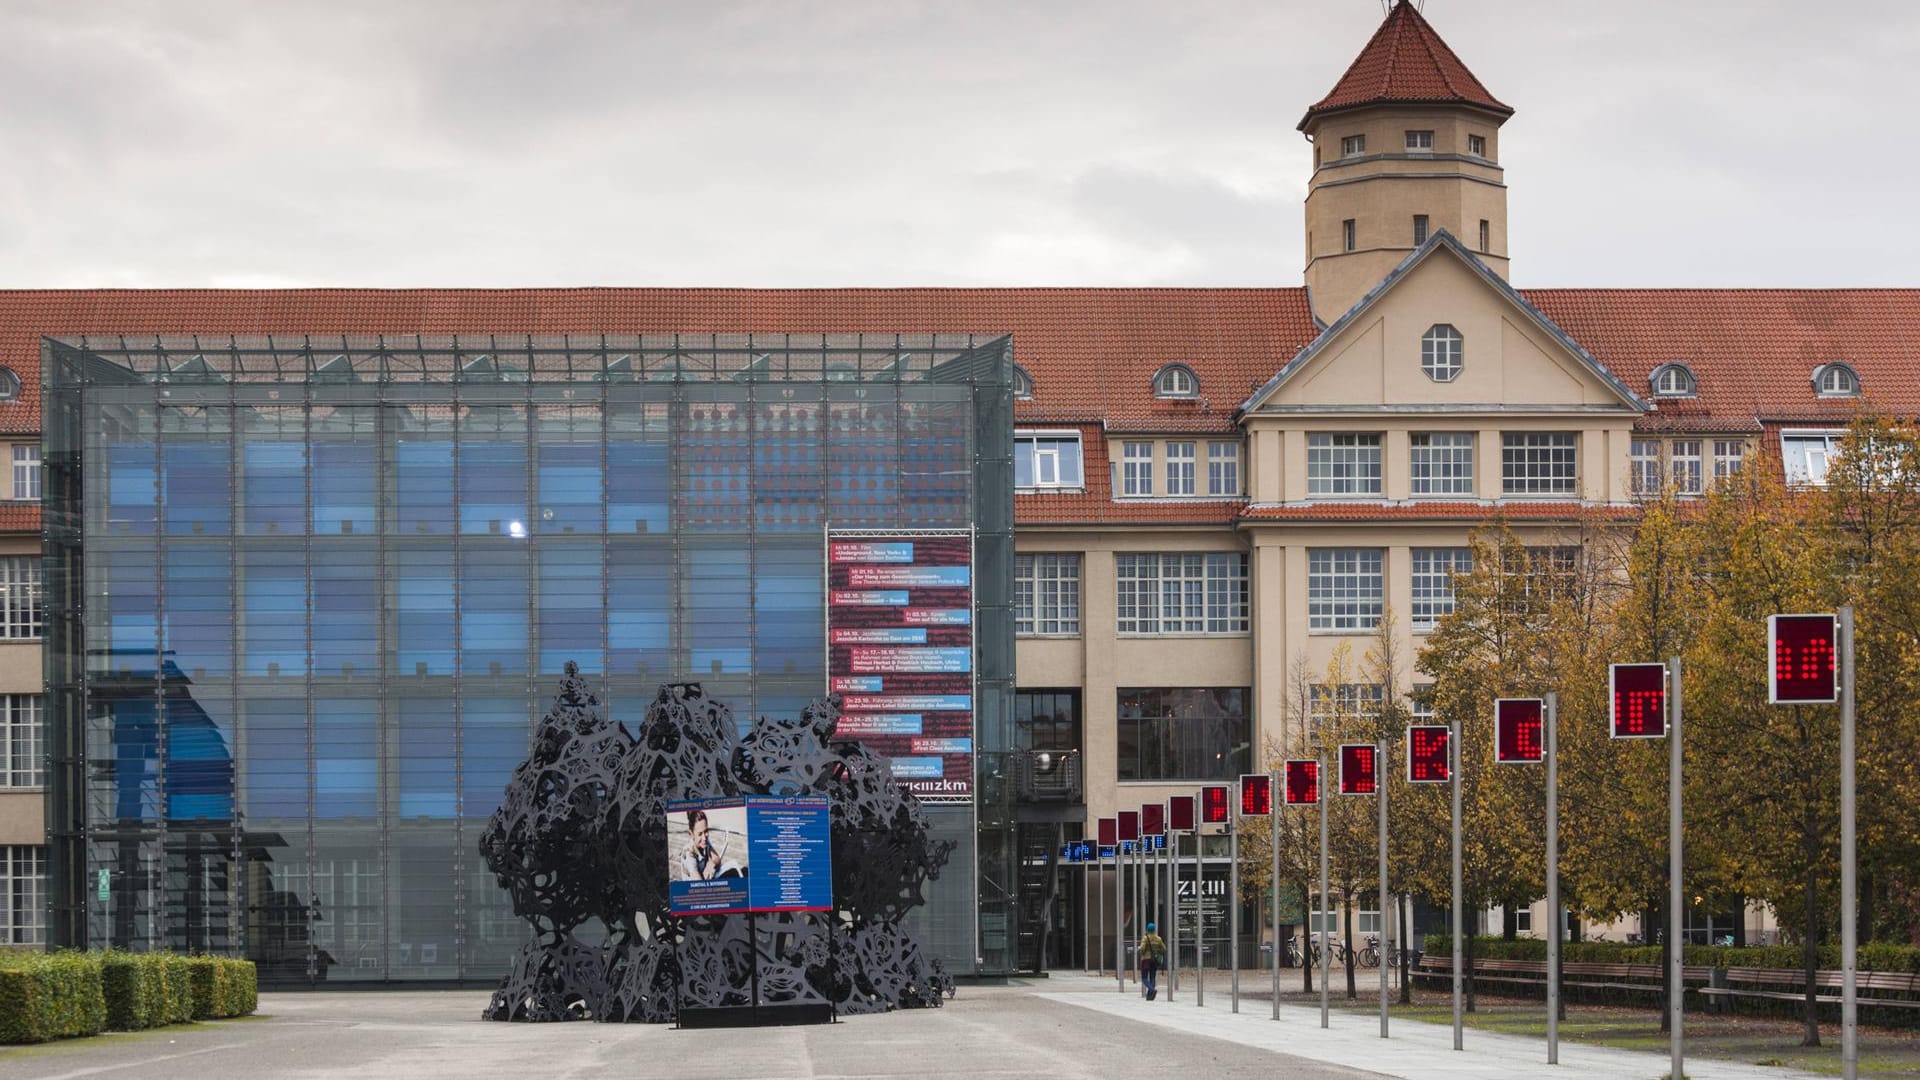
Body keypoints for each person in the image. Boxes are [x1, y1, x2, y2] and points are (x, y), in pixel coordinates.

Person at [680, 809, 741, 881]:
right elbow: (698, 885)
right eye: (700, 834)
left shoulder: (704, 841)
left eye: (706, 831)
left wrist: (711, 864)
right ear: (691, 834)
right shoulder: (689, 854)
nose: (704, 837)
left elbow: (717, 858)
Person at [1138, 921, 1167, 1000]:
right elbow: (1164, 948)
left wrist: (1141, 951)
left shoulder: (1145, 938)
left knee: (1144, 978)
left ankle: (1152, 990)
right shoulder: (1158, 939)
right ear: (1154, 930)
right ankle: (1149, 996)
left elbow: (1142, 948)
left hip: (1146, 960)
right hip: (1154, 960)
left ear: (1147, 929)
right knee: (1152, 977)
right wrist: (1158, 952)